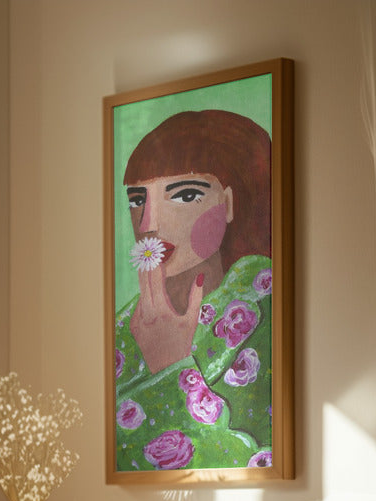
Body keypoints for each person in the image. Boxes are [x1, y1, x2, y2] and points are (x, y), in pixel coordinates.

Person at [113, 109, 273, 472]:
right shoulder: (123, 326)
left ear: (229, 203)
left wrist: (173, 367)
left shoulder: (267, 307)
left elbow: (249, 462)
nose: (149, 223)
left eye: (185, 195)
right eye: (138, 199)